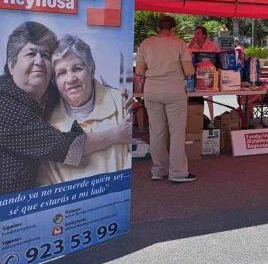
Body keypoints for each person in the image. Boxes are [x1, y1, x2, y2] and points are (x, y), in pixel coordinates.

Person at [0, 22, 131, 195]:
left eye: (45, 55)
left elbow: (73, 86)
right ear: (11, 64)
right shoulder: (5, 105)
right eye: (31, 53)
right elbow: (65, 147)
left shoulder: (46, 95)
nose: (39, 61)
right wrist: (117, 134)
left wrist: (119, 94)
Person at [38, 35, 132, 185]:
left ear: (91, 69)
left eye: (77, 68)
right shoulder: (45, 120)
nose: (70, 79)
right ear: (54, 81)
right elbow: (44, 179)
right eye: (61, 73)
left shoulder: (122, 104)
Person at [136, 16, 196, 183]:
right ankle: (177, 172)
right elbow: (189, 71)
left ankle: (158, 170)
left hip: (152, 90)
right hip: (174, 90)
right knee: (176, 132)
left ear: (157, 29)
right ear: (173, 29)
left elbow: (139, 71)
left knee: (156, 131)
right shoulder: (179, 44)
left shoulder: (146, 44)